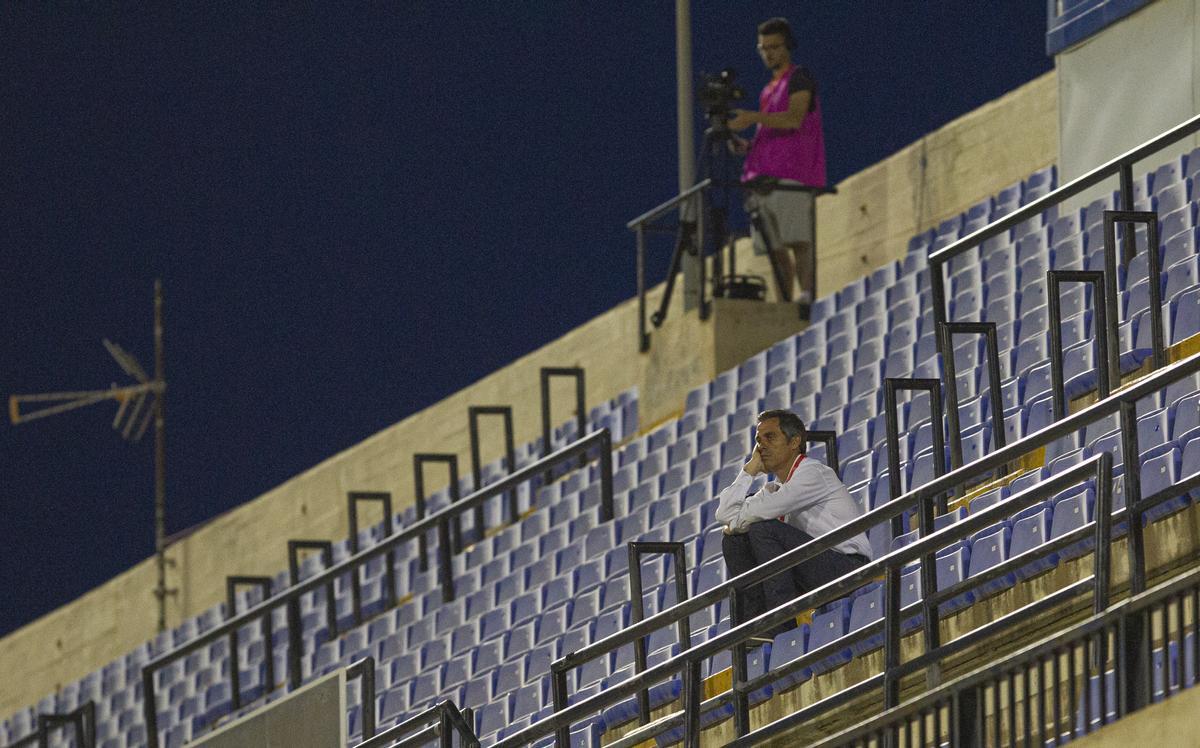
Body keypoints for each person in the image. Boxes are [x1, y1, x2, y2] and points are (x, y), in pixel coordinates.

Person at [715, 409, 871, 634]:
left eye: (770, 437)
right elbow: (724, 513)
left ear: (795, 442)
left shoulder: (812, 473)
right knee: (734, 541)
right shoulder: (773, 489)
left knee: (762, 528)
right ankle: (756, 630)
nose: (761, 446)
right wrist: (748, 471)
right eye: (758, 440)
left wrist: (735, 524)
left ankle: (781, 626)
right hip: (813, 569)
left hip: (849, 568)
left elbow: (754, 515)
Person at [727, 17, 827, 320]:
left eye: (774, 47)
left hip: (791, 175)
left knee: (798, 240)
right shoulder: (768, 90)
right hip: (762, 179)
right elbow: (772, 130)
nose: (769, 54)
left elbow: (794, 118)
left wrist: (752, 118)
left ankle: (806, 297)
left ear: (787, 46)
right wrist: (747, 145)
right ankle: (785, 304)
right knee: (775, 250)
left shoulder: (799, 77)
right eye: (763, 48)